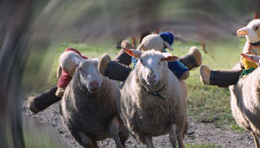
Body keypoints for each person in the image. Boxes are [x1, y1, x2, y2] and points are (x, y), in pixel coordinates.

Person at [28, 32, 202, 113]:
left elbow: (175, 66)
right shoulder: (75, 67)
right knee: (128, 73)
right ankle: (111, 64)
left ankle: (111, 64)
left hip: (152, 67)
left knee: (130, 72)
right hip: (133, 70)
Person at [99, 32, 202, 82]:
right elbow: (181, 71)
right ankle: (191, 59)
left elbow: (179, 69)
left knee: (132, 74)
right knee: (135, 74)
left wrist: (183, 72)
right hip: (142, 65)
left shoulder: (164, 56)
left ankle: (110, 68)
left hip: (158, 71)